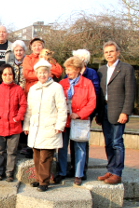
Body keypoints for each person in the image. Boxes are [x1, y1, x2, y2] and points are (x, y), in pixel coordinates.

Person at [23, 60, 67, 192]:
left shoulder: (56, 88)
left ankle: (44, 181)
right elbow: (29, 109)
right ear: (36, 74)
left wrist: (60, 125)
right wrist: (26, 125)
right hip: (36, 127)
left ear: (49, 73)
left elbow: (62, 108)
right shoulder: (33, 89)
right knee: (36, 155)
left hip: (50, 126)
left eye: (45, 72)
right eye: (40, 73)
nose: (42, 75)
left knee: (46, 156)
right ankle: (38, 178)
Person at [96, 41, 136, 185]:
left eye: (111, 51)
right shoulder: (102, 70)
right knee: (108, 142)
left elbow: (130, 92)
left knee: (117, 142)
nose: (109, 54)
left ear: (118, 52)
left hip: (118, 111)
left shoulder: (126, 69)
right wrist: (98, 114)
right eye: (106, 52)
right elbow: (100, 93)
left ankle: (117, 173)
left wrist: (125, 112)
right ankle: (110, 169)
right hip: (105, 111)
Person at [57, 57, 96, 186]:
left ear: (78, 69)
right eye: (66, 69)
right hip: (65, 120)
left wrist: (79, 114)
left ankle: (78, 174)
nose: (67, 72)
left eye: (70, 69)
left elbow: (92, 102)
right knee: (62, 148)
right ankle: (62, 172)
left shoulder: (87, 83)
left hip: (79, 120)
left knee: (79, 147)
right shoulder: (62, 83)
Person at [66, 49, 101, 179]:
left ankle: (80, 172)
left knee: (80, 143)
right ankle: (73, 168)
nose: (68, 72)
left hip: (82, 116)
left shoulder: (89, 77)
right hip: (69, 116)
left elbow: (93, 98)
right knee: (70, 142)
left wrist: (81, 114)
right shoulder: (66, 79)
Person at [0, 64, 27, 182]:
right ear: (1, 76)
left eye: (10, 74)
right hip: (0, 126)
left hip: (14, 126)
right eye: (5, 74)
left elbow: (23, 105)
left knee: (12, 152)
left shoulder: (18, 89)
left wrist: (18, 117)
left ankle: (9, 173)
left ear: (13, 75)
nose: (7, 76)